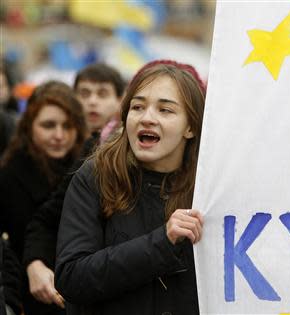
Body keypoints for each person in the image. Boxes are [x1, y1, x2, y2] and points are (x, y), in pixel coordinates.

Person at [55, 60, 206, 315]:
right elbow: (71, 277)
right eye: (137, 107)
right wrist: (163, 242)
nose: (147, 118)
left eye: (165, 110)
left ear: (190, 127)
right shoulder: (95, 177)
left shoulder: (208, 187)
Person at [22, 63, 125, 312]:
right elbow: (47, 218)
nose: (91, 102)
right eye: (84, 93)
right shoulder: (83, 154)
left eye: (102, 94)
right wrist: (34, 263)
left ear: (121, 100)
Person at [0, 81, 87, 315]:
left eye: (67, 126)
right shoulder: (9, 176)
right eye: (49, 125)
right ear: (29, 126)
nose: (59, 135)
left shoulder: (90, 168)